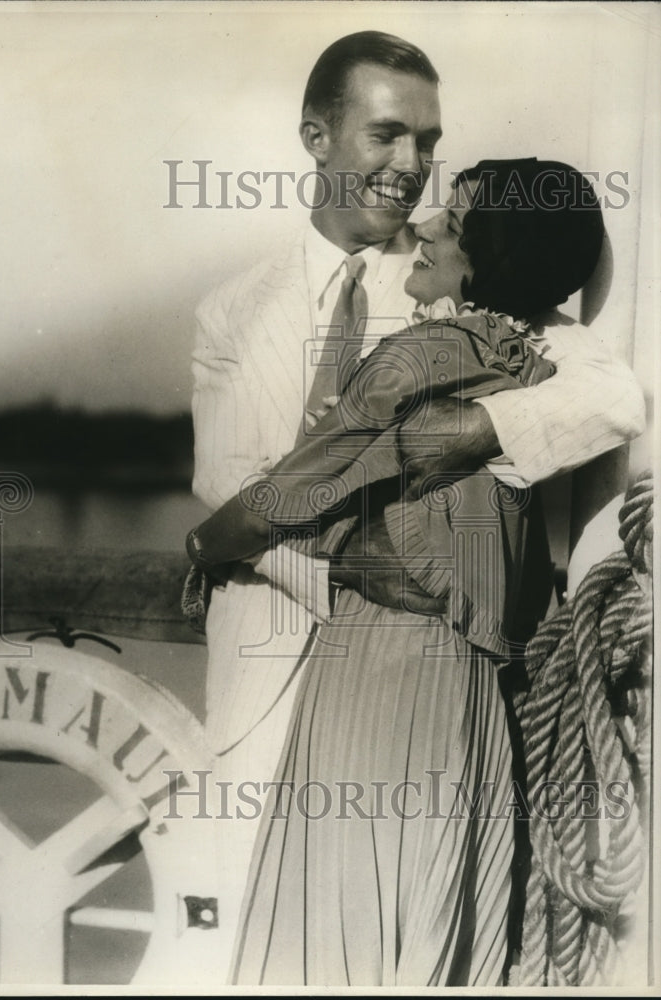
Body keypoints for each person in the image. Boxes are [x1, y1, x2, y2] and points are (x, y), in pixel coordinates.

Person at [189, 30, 645, 977]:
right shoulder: (232, 311)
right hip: (276, 686)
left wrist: (470, 437)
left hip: (423, 683)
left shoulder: (462, 289)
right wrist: (376, 564)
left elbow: (611, 396)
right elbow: (225, 480)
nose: (410, 168)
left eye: (427, 143)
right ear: (317, 136)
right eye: (387, 135)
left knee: (410, 933)